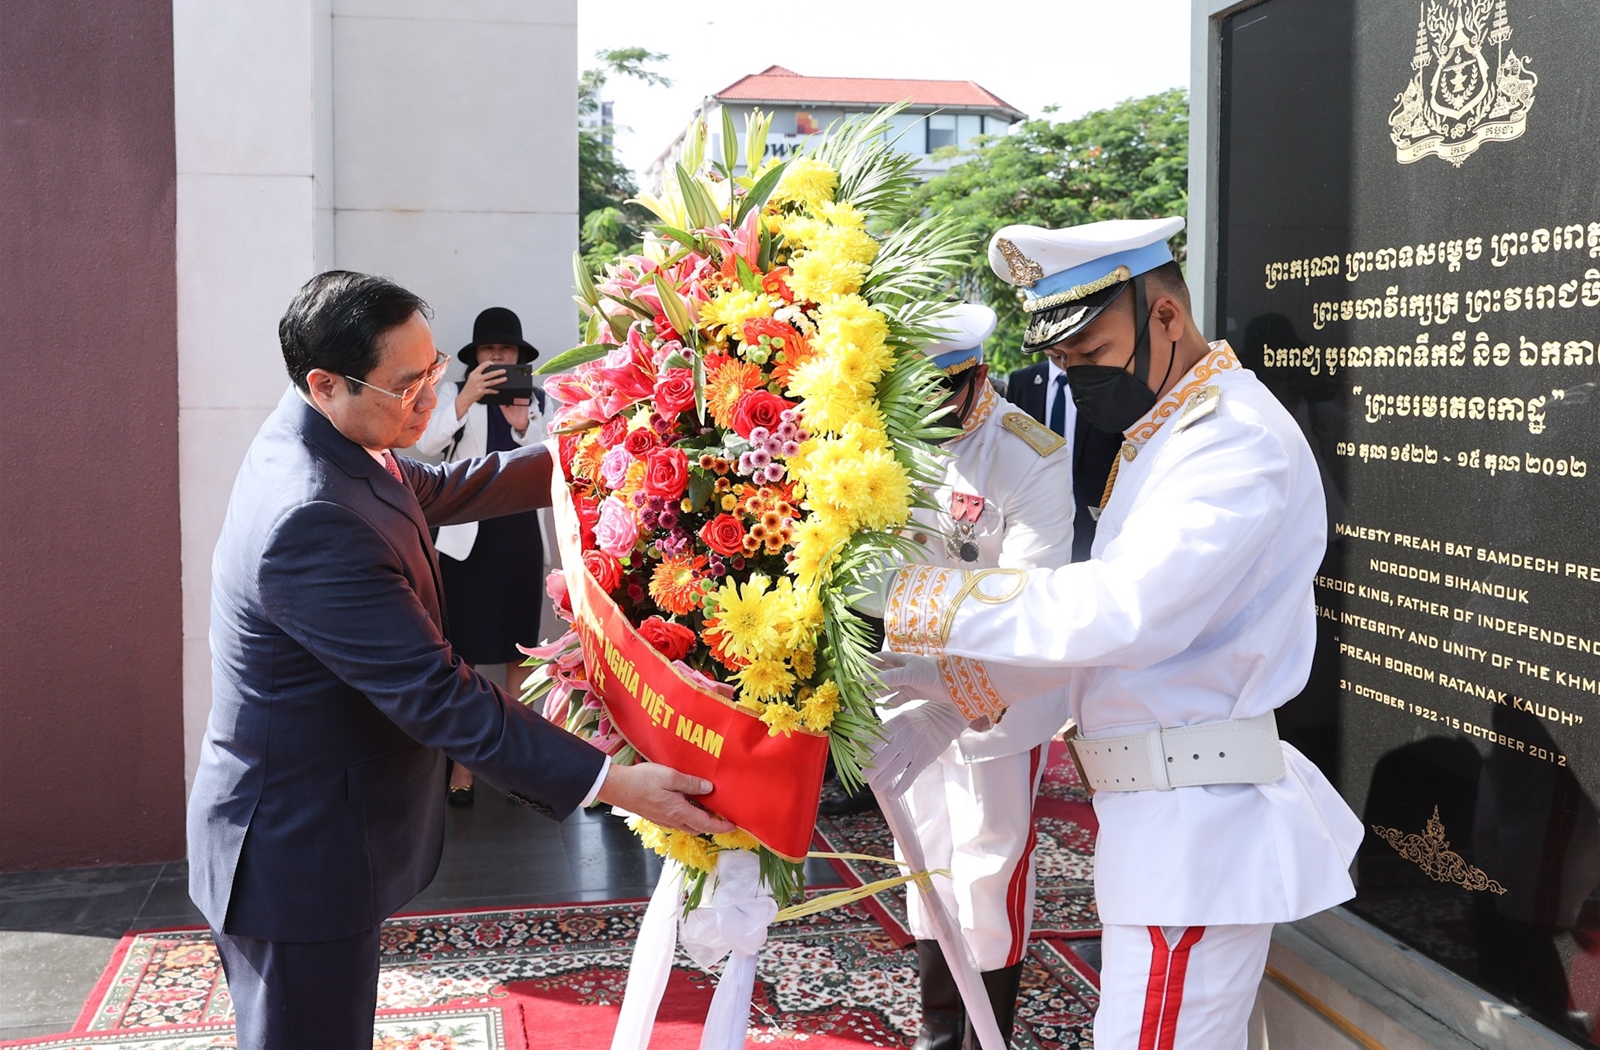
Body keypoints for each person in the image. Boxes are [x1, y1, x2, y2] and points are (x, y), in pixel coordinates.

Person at [187, 271, 733, 1050]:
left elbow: (440, 487)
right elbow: (440, 696)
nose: (426, 397)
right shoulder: (308, 511)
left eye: (434, 371)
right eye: (407, 384)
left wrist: (605, 453)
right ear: (324, 382)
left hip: (322, 829)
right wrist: (613, 783)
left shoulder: (331, 436)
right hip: (295, 850)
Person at [863, 219, 1363, 1050]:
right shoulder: (1170, 435)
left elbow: (1124, 610)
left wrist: (909, 594)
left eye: (1092, 354)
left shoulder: (1229, 439)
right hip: (1164, 821)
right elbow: (1102, 651)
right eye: (1063, 364)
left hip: (1192, 828)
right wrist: (947, 705)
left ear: (1165, 315)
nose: (1078, 379)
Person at [894, 305, 1074, 1050]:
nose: (934, 412)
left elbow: (1028, 600)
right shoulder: (888, 432)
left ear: (981, 374)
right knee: (923, 858)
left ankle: (983, 1036)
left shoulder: (1029, 453)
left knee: (990, 865)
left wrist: (933, 656)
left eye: (950, 393)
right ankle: (940, 1030)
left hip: (994, 698)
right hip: (904, 685)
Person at [416, 307, 546, 806]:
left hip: (519, 539)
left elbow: (549, 459)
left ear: (517, 356)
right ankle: (465, 766)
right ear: (475, 357)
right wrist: (467, 398)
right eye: (490, 351)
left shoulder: (534, 400)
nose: (498, 357)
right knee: (462, 654)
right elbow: (427, 444)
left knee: (519, 653)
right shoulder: (450, 394)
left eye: (506, 351)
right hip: (466, 544)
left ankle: (513, 764)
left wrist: (519, 427)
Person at [1005, 350, 1122, 563]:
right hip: (1035, 517)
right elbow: (1010, 451)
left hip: (1092, 516)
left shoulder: (1104, 382)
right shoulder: (1022, 382)